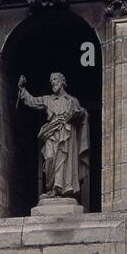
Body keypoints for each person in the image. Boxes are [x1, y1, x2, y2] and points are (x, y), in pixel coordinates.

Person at [17, 71, 90, 203]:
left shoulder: (72, 101)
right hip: (51, 133)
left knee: (64, 159)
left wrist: (80, 112)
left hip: (67, 133)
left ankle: (60, 190)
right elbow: (32, 101)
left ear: (62, 81)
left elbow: (82, 116)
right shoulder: (48, 99)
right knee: (49, 157)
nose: (53, 83)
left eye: (55, 80)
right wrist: (22, 89)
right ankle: (51, 188)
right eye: (51, 81)